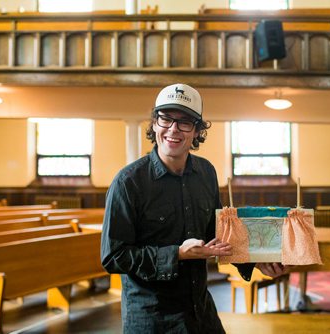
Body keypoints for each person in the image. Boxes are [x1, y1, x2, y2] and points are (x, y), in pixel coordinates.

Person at [101, 83, 287, 334]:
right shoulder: (128, 182)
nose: (173, 129)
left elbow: (219, 236)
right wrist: (177, 253)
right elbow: (114, 256)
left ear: (197, 130)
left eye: (184, 122)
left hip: (201, 312)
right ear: (155, 123)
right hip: (152, 319)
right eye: (165, 119)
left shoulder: (206, 172)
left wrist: (257, 261)